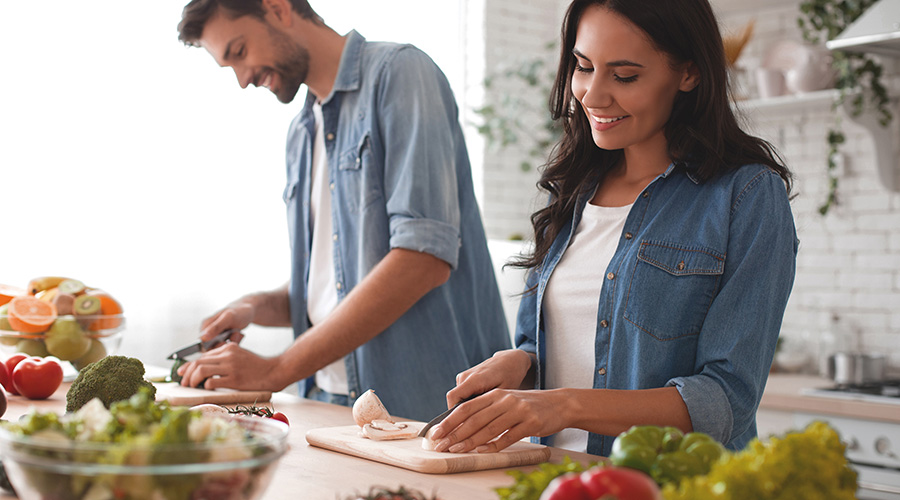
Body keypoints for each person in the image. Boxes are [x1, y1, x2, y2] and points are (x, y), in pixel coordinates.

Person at [428, 0, 798, 457]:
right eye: (582, 67)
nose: (592, 95)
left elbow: (725, 399)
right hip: (555, 478)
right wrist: (521, 363)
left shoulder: (746, 197)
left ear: (689, 73)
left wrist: (563, 406)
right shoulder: (569, 190)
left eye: (625, 76)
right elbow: (568, 351)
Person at [173, 0, 511, 422]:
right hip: (327, 405)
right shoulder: (301, 133)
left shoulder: (400, 73)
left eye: (239, 52)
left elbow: (422, 260)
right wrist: (256, 306)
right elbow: (333, 285)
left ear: (277, 8)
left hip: (428, 415)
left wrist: (277, 368)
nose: (242, 80)